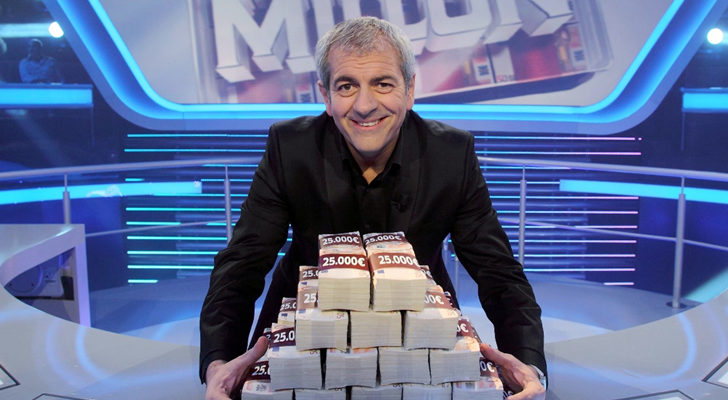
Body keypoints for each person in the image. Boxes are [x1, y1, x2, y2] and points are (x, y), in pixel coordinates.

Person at [201, 16, 547, 400]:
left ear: (410, 89)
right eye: (346, 86)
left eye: (383, 84)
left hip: (418, 326)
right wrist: (219, 364)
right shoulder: (289, 149)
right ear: (326, 96)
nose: (364, 106)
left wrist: (528, 365)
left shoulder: (452, 155)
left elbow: (499, 274)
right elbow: (241, 265)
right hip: (304, 324)